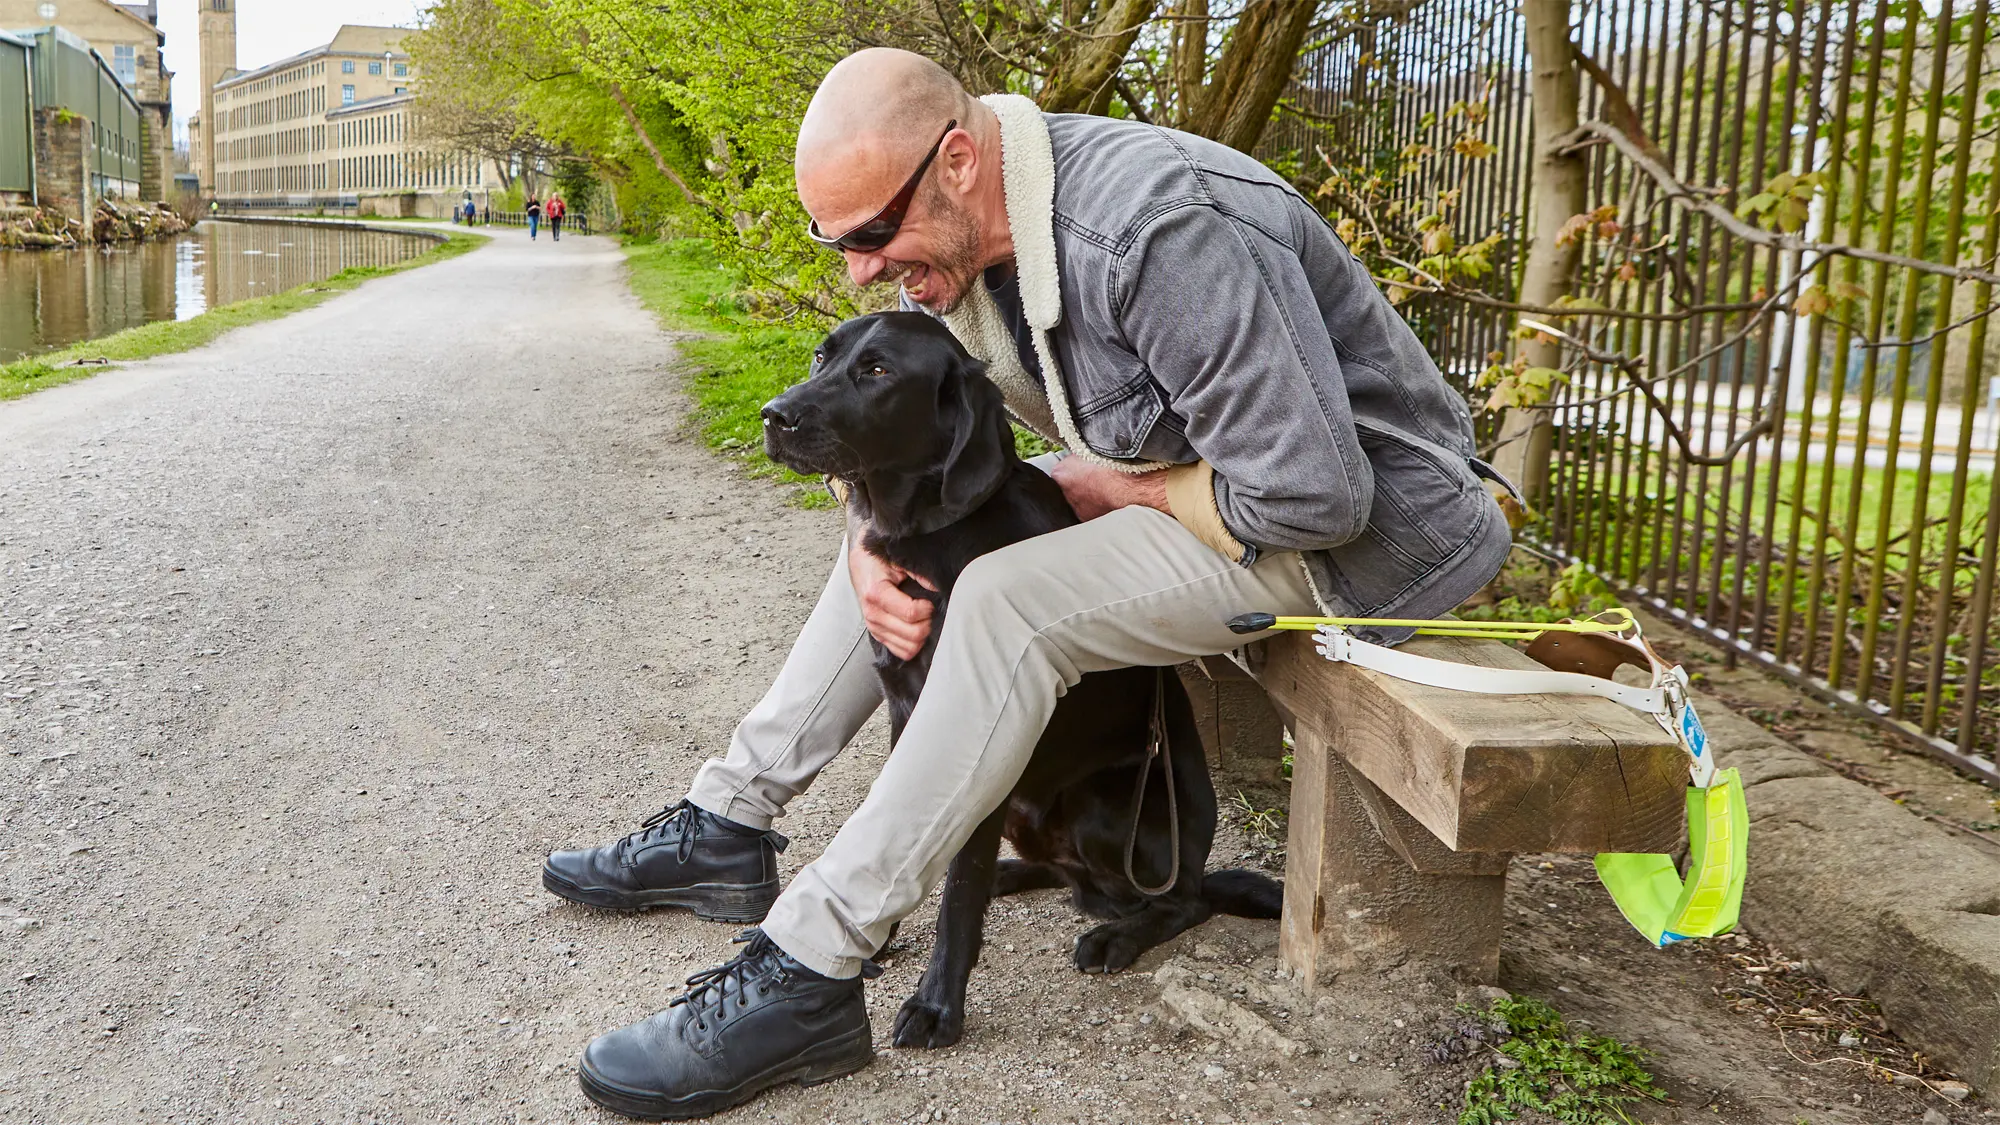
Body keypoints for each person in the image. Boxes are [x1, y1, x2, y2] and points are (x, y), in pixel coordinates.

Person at [547, 48, 1513, 1120]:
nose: (861, 269)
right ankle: (730, 821)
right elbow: (925, 446)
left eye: (870, 234)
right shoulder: (970, 242)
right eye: (839, 246)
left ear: (955, 160)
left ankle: (811, 966)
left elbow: (1312, 497)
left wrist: (1112, 485)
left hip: (1358, 545)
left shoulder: (1159, 231)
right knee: (902, 532)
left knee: (1005, 598)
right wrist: (869, 539)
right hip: (1221, 496)